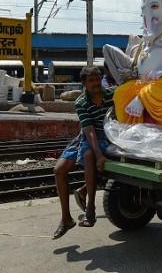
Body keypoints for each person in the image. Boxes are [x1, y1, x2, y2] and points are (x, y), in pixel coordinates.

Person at [53, 66, 114, 239]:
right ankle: (66, 219)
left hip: (107, 135)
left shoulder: (112, 95)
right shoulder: (81, 102)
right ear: (84, 84)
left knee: (88, 156)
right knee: (58, 170)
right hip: (87, 135)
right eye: (91, 81)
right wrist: (99, 155)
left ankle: (91, 209)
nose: (95, 84)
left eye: (97, 79)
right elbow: (88, 131)